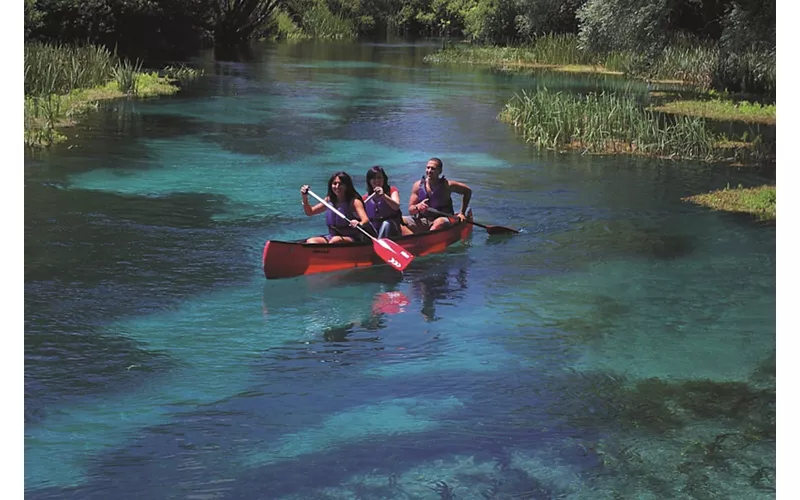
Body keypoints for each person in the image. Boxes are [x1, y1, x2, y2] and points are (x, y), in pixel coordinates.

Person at [403, 157, 472, 233]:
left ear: (440, 171)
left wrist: (462, 213)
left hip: (444, 220)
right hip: (423, 220)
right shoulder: (417, 186)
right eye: (428, 168)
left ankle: (427, 240)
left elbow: (467, 191)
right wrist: (417, 207)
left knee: (439, 222)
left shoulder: (447, 185)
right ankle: (411, 238)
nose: (429, 171)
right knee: (400, 220)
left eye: (433, 168)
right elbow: (411, 210)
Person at [300, 171, 370, 244]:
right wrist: (304, 197)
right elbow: (310, 212)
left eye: (340, 184)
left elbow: (365, 220)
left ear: (347, 186)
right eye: (334, 183)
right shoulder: (329, 200)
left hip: (353, 237)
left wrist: (358, 223)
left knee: (336, 240)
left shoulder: (354, 202)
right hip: (332, 236)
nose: (337, 186)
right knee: (311, 241)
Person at [363, 165, 405, 238]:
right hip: (375, 229)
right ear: (369, 181)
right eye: (374, 178)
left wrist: (383, 196)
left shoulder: (392, 191)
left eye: (379, 177)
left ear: (384, 179)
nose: (377, 181)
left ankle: (381, 243)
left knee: (386, 224)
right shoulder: (365, 198)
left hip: (391, 228)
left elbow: (396, 206)